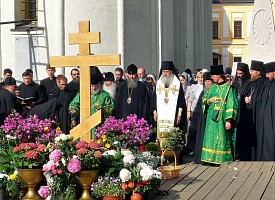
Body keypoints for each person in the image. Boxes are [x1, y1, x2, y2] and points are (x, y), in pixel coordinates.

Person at [201, 65, 238, 164]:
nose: (212, 78)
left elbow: (232, 104)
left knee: (221, 138)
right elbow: (204, 99)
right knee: (210, 138)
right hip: (211, 119)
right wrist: (209, 100)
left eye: (213, 76)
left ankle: (221, 159)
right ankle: (209, 159)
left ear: (219, 75)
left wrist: (228, 120)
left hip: (222, 119)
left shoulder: (229, 88)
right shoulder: (212, 87)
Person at [151, 61, 187, 152]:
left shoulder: (177, 83)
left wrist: (179, 115)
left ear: (171, 72)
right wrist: (154, 112)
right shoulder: (159, 83)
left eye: (167, 71)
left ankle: (174, 154)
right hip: (161, 116)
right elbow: (154, 100)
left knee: (174, 133)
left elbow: (181, 102)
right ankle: (162, 153)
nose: (165, 74)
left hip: (173, 115)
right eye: (164, 72)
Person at [237, 60, 269, 161]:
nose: (250, 73)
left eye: (252, 71)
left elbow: (263, 100)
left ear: (259, 72)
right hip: (248, 116)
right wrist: (245, 98)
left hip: (257, 117)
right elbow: (244, 95)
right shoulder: (250, 84)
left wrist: (252, 100)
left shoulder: (264, 83)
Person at [194, 72, 213, 164]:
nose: (207, 83)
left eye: (209, 81)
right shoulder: (203, 92)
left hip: (211, 120)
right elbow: (198, 107)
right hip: (202, 120)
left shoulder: (215, 91)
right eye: (206, 81)